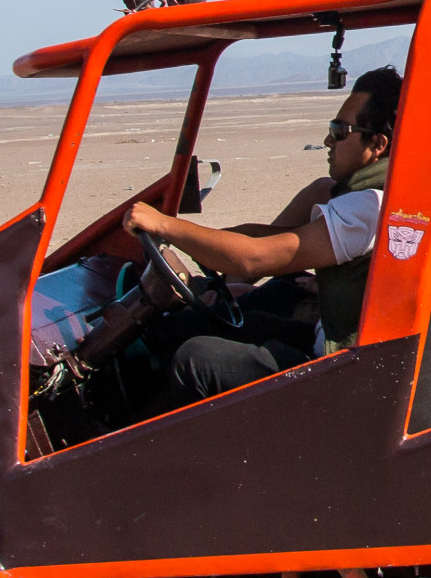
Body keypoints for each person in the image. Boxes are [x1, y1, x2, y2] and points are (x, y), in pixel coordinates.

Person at [122, 66, 402, 409]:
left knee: (197, 359)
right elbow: (273, 238)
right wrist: (200, 243)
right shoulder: (377, 194)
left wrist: (164, 225)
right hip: (334, 348)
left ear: (377, 145)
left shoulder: (367, 205)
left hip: (341, 379)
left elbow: (253, 258)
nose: (328, 140)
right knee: (251, 313)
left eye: (339, 130)